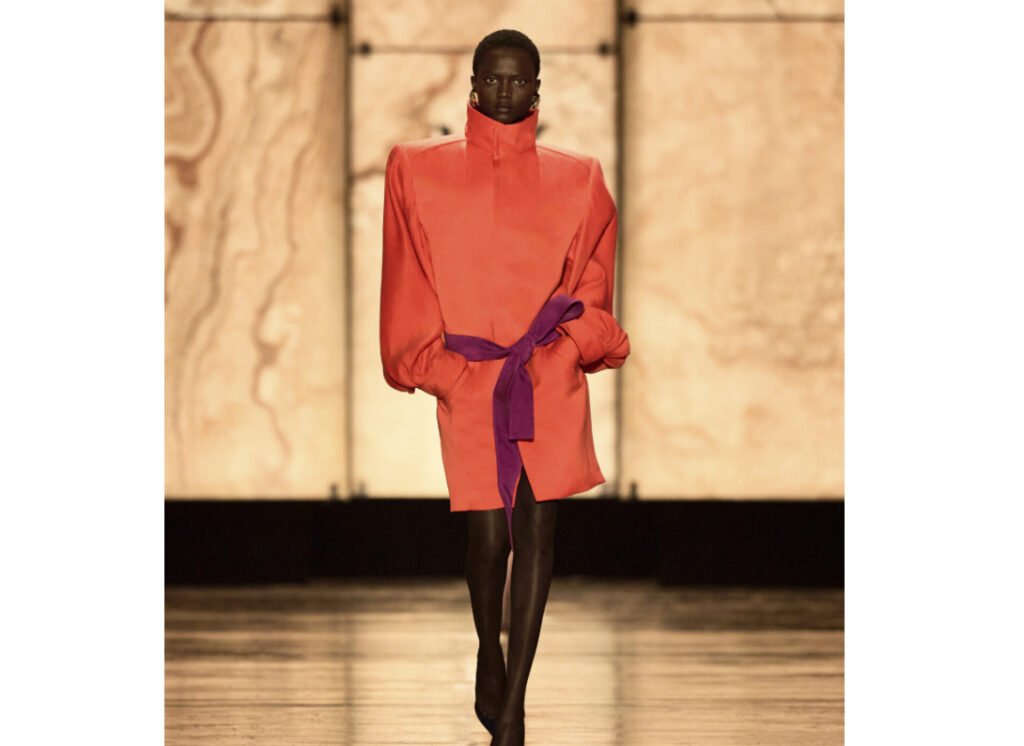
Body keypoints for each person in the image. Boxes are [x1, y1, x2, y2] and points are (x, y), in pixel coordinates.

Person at [379, 28, 630, 746]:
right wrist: (436, 369)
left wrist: (572, 346)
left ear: (539, 89)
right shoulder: (417, 169)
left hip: (543, 372)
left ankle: (515, 705)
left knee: (540, 531)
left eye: (520, 81)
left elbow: (593, 284)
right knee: (488, 538)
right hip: (471, 375)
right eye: (494, 78)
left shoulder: (579, 177)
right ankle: (490, 651)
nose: (506, 92)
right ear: (473, 82)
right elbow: (408, 278)